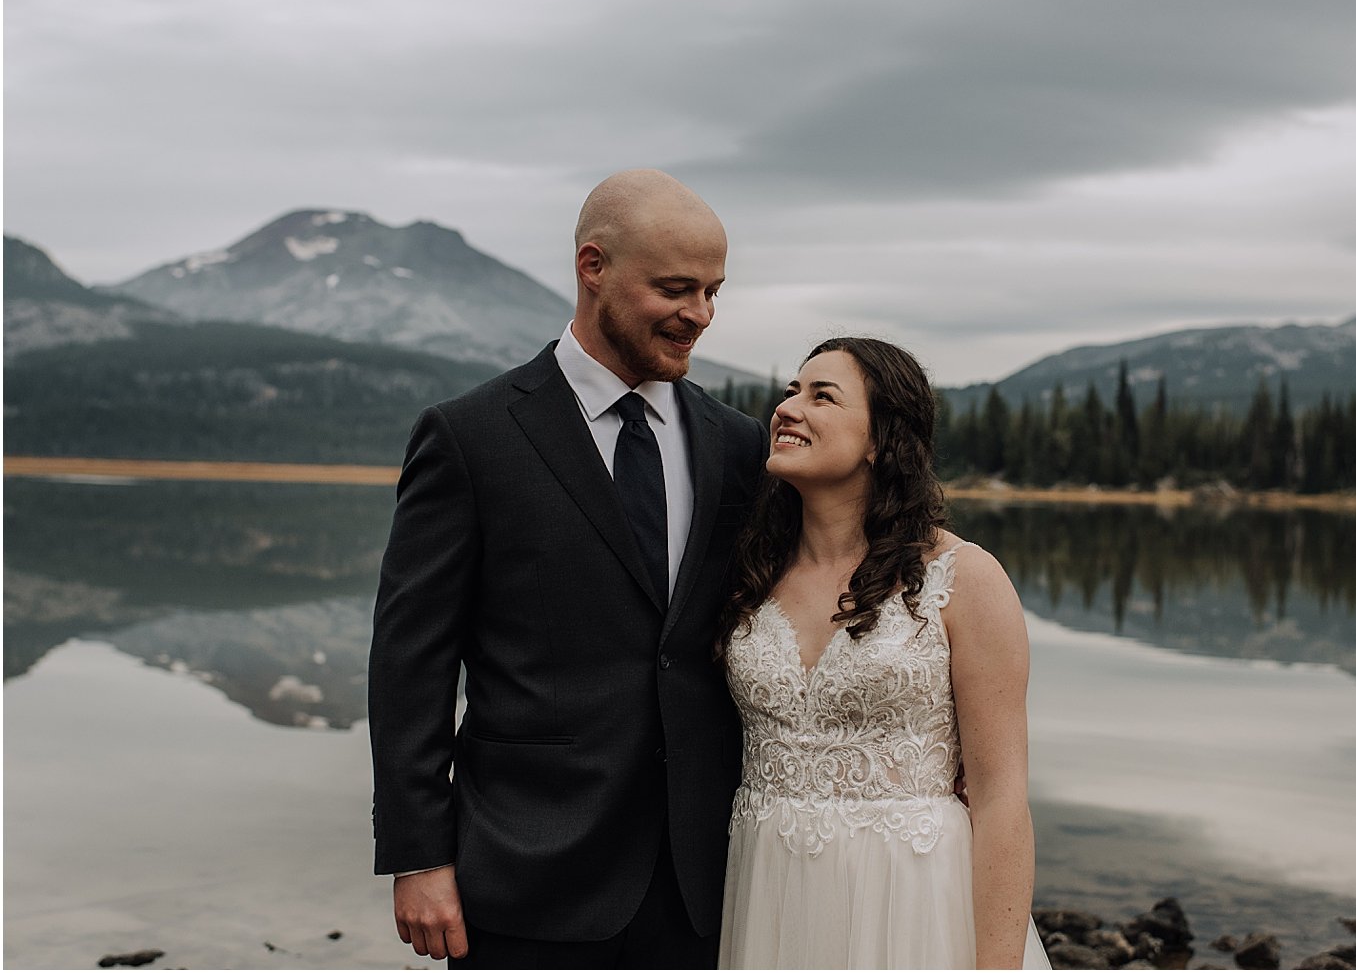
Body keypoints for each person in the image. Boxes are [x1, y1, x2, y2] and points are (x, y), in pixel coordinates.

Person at [367, 169, 768, 968]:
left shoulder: (739, 445)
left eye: (713, 291)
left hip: (705, 883)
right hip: (525, 875)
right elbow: (411, 661)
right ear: (594, 268)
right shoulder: (470, 437)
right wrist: (419, 856)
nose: (699, 315)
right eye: (676, 288)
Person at [717, 336, 1051, 969]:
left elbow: (1002, 799)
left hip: (913, 901)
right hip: (769, 887)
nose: (788, 408)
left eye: (823, 396)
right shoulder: (751, 573)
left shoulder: (965, 580)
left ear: (879, 441)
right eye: (792, 390)